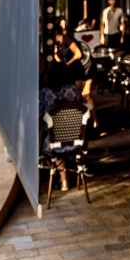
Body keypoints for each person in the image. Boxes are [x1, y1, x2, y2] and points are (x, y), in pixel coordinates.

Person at [39, 59, 83, 192]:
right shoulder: (74, 91)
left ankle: (64, 179)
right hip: (76, 139)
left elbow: (40, 114)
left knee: (50, 137)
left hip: (54, 142)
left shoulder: (46, 93)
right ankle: (72, 175)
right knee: (61, 134)